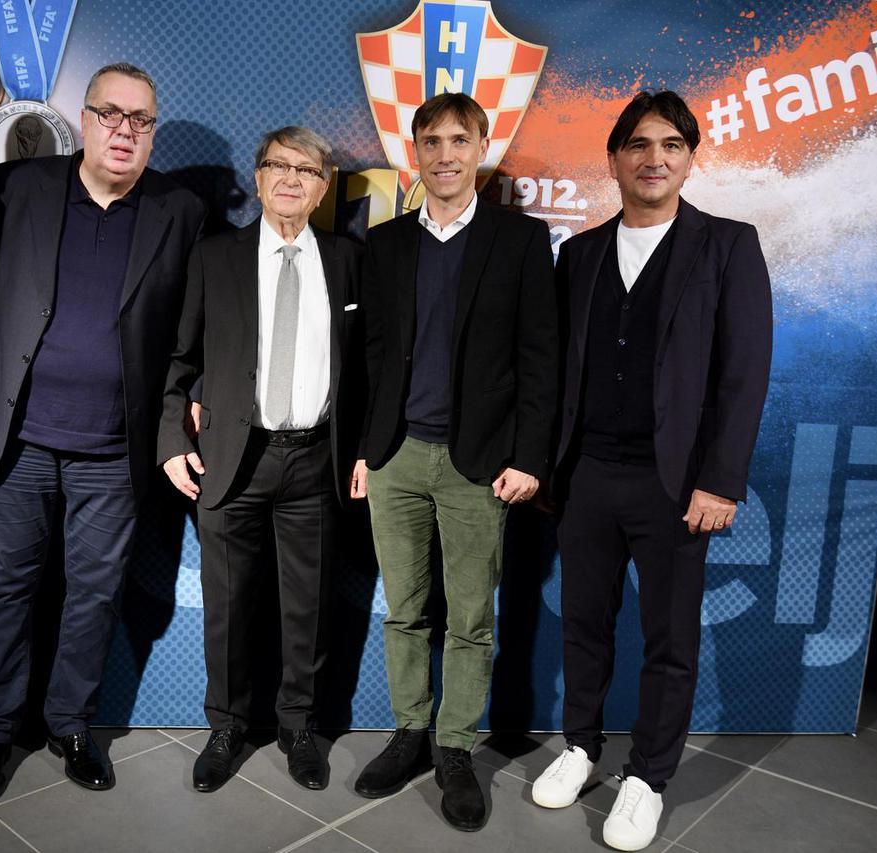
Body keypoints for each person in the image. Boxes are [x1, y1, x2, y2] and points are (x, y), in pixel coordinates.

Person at [530, 90, 771, 852]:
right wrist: (549, 466)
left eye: (670, 145)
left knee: (670, 640)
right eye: (638, 144)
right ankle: (580, 745)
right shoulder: (579, 254)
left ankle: (648, 777)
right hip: (587, 475)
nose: (654, 158)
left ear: (691, 159)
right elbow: (557, 372)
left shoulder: (728, 245)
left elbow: (744, 372)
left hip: (677, 484)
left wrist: (721, 479)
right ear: (614, 160)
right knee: (584, 623)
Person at [0, 63, 205, 805]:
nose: (125, 131)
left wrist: (192, 399)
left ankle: (69, 725)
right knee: (2, 591)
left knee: (94, 596)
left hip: (113, 449)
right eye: (111, 114)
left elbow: (197, 325)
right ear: (85, 120)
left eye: (141, 120)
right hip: (18, 438)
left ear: (152, 132)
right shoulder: (19, 187)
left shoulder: (181, 212)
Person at [350, 92, 558, 831]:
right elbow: (373, 356)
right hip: (397, 456)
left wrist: (529, 456)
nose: (444, 155)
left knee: (470, 618)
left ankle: (455, 748)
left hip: (480, 462)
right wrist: (367, 449)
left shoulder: (521, 240)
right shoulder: (386, 243)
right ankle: (410, 731)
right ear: (416, 152)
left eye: (458, 141)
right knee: (404, 610)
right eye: (431, 142)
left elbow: (541, 357)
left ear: (481, 149)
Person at [159, 126, 363, 793]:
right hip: (230, 459)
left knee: (308, 607)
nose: (291, 178)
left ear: (324, 187)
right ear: (258, 176)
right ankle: (226, 726)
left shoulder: (349, 260)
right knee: (227, 605)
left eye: (307, 170)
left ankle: (298, 726)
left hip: (315, 460)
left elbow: (369, 364)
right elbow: (179, 358)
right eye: (278, 165)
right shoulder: (214, 256)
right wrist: (172, 439)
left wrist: (365, 449)